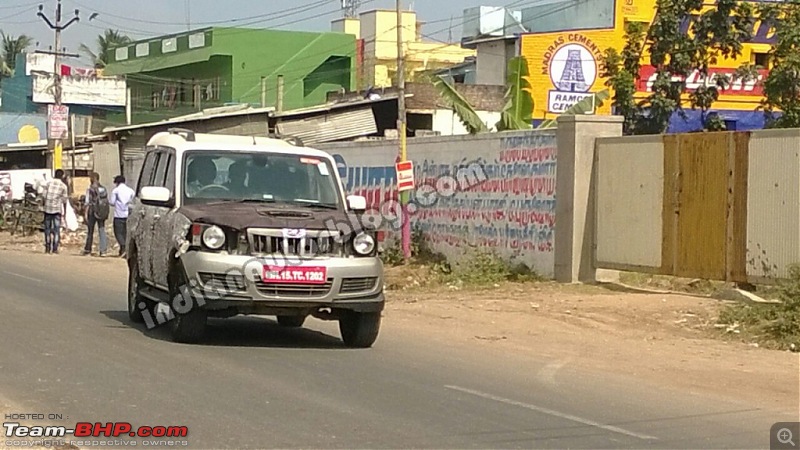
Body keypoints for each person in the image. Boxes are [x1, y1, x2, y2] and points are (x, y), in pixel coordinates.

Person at [82, 172, 110, 257]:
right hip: (101, 212)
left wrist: (85, 214)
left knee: (90, 231)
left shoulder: (90, 189)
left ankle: (88, 250)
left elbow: (87, 202)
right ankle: (103, 251)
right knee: (102, 230)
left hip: (92, 211)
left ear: (92, 179)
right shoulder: (103, 189)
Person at [42, 169, 69, 254]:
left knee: (47, 229)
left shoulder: (48, 184)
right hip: (57, 210)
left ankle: (47, 248)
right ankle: (55, 248)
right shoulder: (63, 186)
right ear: (62, 176)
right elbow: (64, 201)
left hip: (47, 209)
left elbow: (43, 196)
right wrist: (64, 212)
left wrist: (44, 205)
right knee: (56, 230)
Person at [109, 175, 135, 257]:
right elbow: (133, 201)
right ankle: (124, 249)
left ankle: (123, 246)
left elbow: (112, 202)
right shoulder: (131, 191)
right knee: (126, 232)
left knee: (118, 233)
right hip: (128, 214)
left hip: (118, 215)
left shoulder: (115, 191)